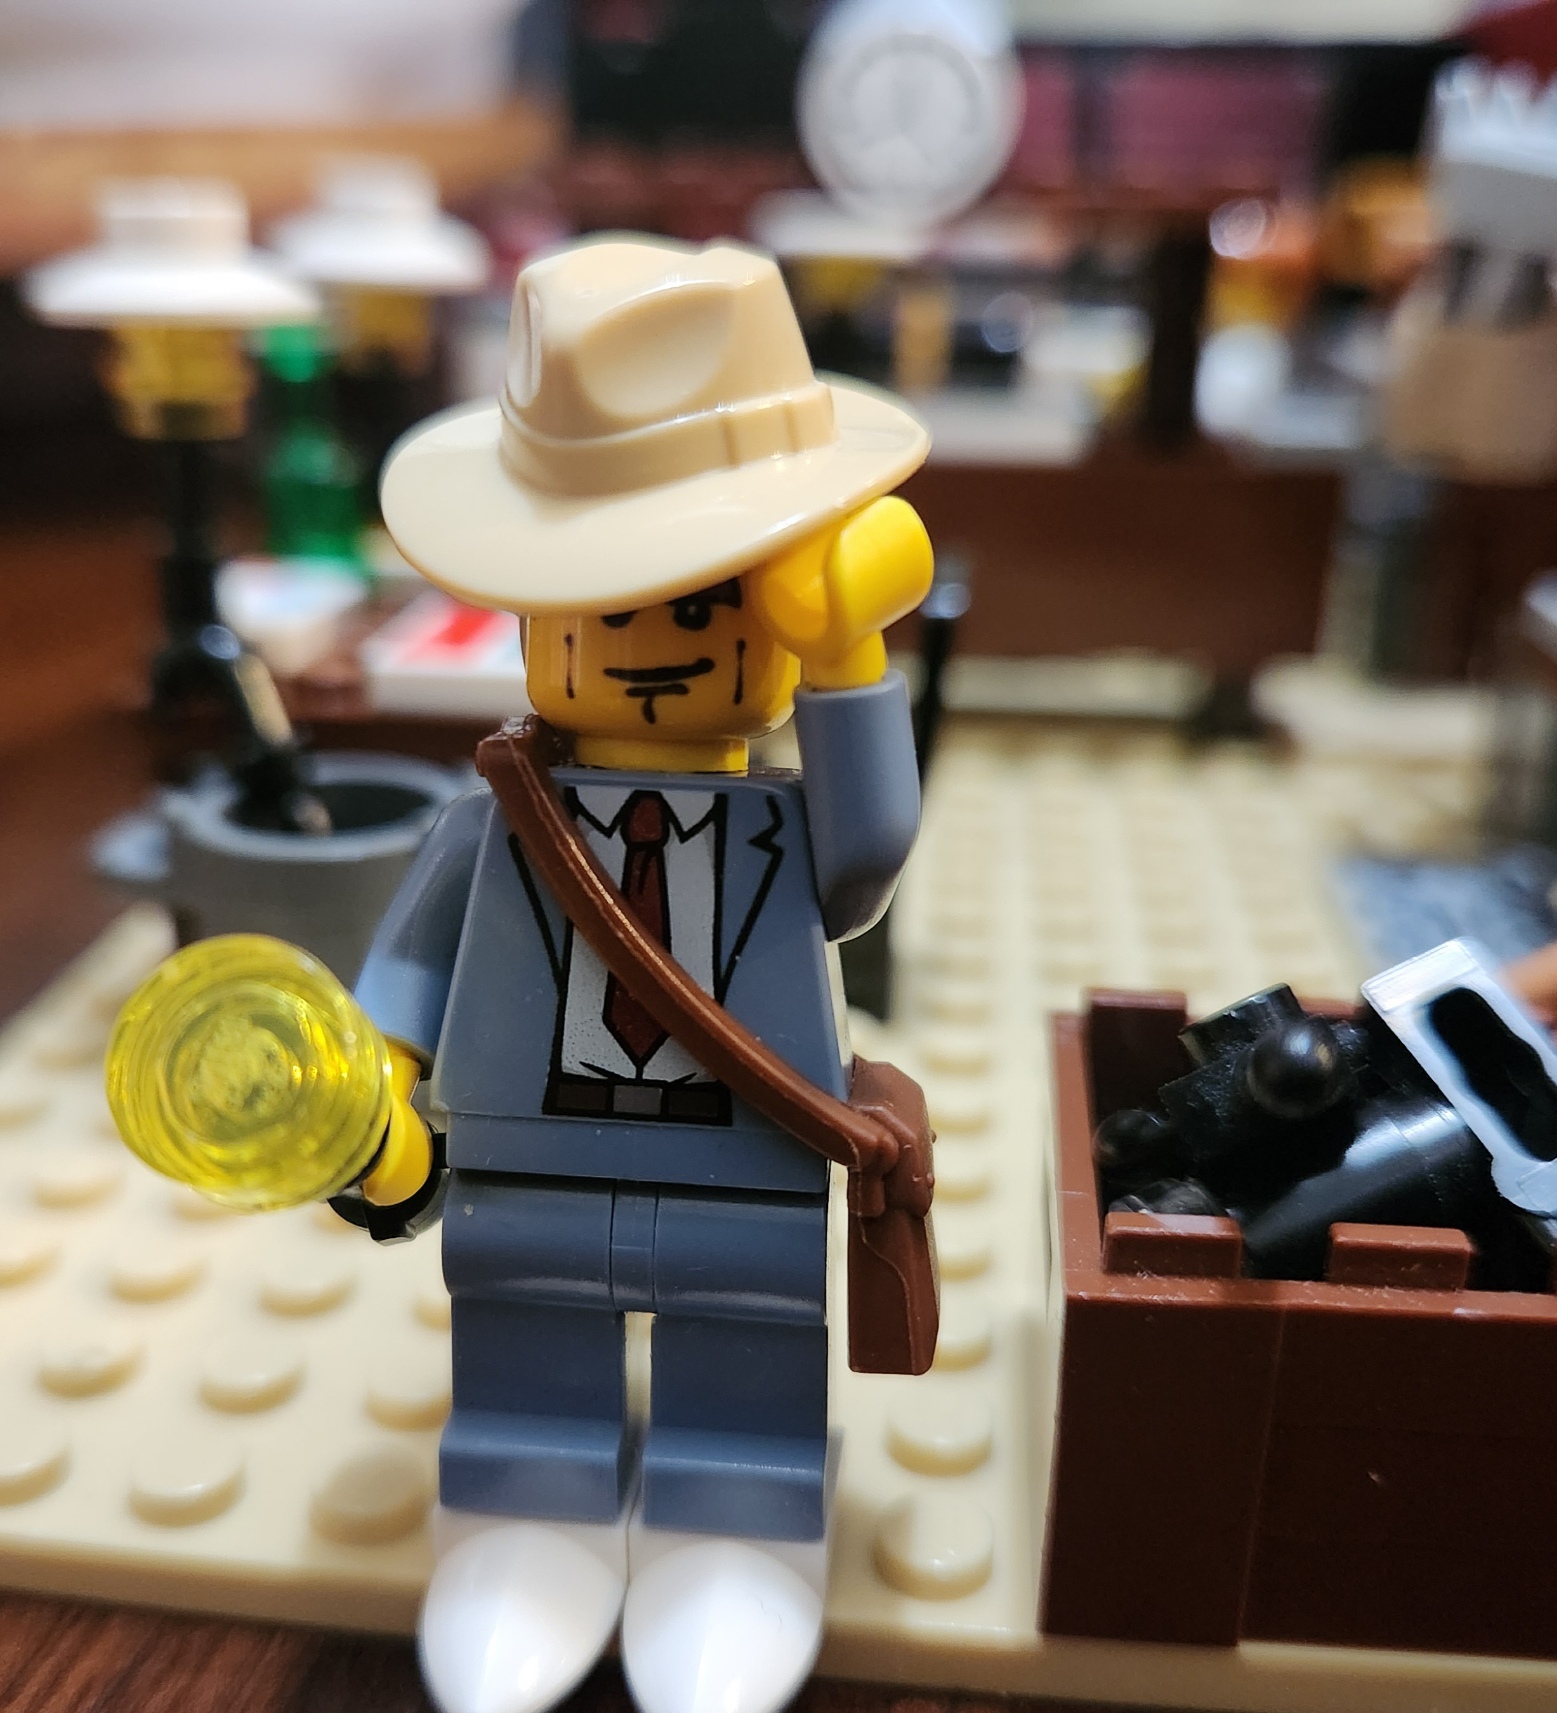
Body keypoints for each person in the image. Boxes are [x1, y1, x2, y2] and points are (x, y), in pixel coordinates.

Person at [353, 234, 933, 1713]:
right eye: (609, 607)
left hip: (746, 1161)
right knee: (520, 1333)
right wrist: (371, 1091)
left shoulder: (786, 824)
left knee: (749, 1342)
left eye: (704, 603)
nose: (654, 645)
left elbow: (869, 855)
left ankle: (738, 1532)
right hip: (522, 1160)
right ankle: (521, 1520)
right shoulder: (498, 820)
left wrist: (851, 663)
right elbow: (406, 969)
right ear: (536, 618)